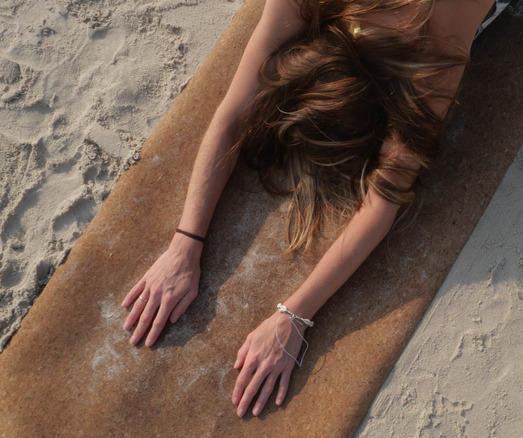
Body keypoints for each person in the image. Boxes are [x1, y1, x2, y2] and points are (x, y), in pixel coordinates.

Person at [121, 0, 501, 418]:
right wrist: (185, 243)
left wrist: (295, 315)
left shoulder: (436, 52)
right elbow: (232, 117)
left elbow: (385, 196)